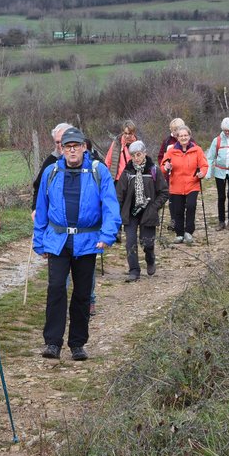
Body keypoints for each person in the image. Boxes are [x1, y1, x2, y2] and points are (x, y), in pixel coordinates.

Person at [33, 127, 121, 361]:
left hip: (87, 241)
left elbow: (110, 205)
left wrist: (107, 235)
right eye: (67, 147)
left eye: (76, 146)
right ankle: (53, 342)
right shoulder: (51, 172)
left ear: (84, 148)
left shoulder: (98, 171)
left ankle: (77, 343)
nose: (72, 151)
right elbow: (41, 208)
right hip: (58, 240)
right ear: (62, 149)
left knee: (82, 293)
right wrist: (39, 241)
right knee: (55, 289)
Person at [116, 141, 169, 281]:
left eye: (138, 154)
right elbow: (119, 195)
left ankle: (150, 258)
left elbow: (164, 192)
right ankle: (134, 270)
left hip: (148, 212)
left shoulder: (154, 170)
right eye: (133, 155)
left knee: (147, 243)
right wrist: (117, 213)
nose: (136, 158)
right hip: (131, 213)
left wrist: (154, 207)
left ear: (144, 153)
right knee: (130, 243)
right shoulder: (127, 172)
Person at [161, 125, 208, 245]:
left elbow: (204, 165)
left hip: (192, 183)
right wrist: (166, 167)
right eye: (181, 136)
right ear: (177, 138)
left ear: (189, 136)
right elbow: (163, 166)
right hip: (176, 185)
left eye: (185, 135)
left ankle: (189, 231)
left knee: (191, 206)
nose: (183, 138)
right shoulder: (171, 151)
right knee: (178, 210)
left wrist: (202, 173)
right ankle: (179, 234)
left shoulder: (197, 150)